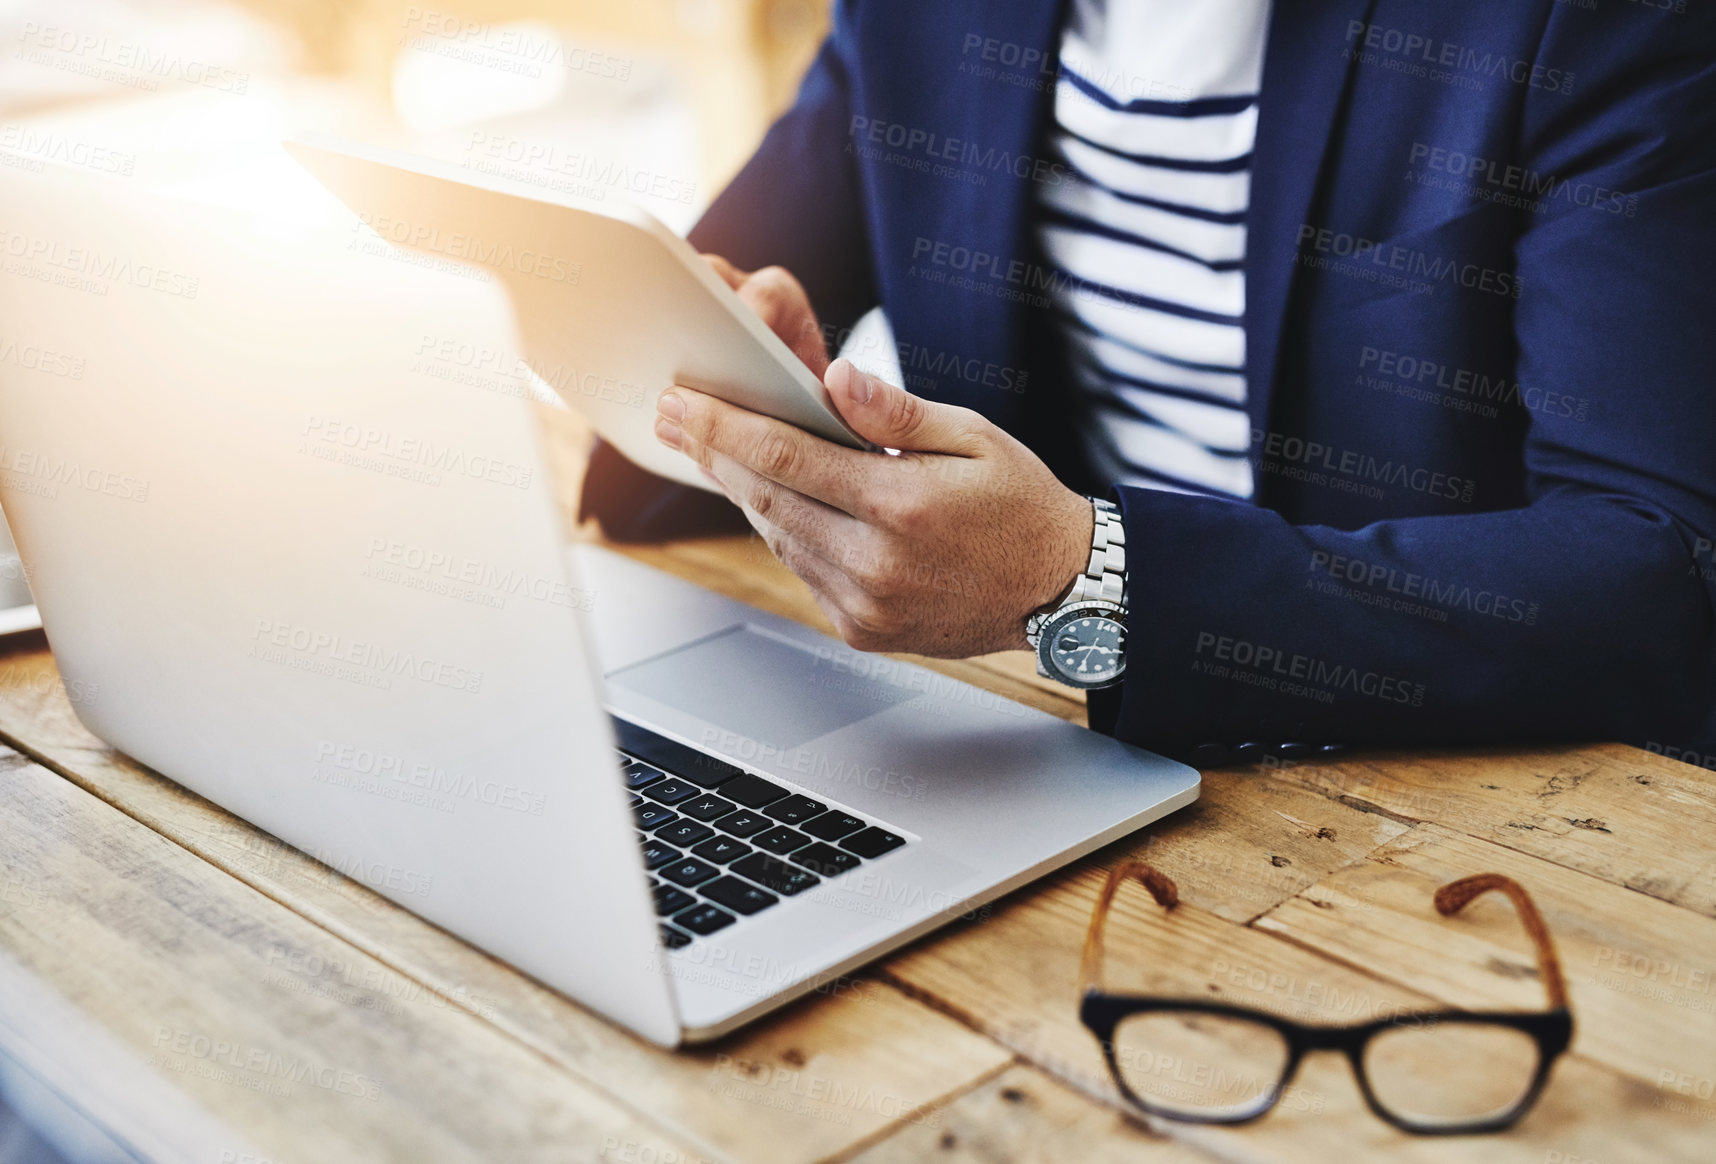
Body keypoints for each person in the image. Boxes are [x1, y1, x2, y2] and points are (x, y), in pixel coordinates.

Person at [581, 0, 1716, 767]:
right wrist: (748, 384)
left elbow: (1663, 567)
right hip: (1035, 749)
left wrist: (1091, 581)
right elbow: (693, 368)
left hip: (1443, 798)